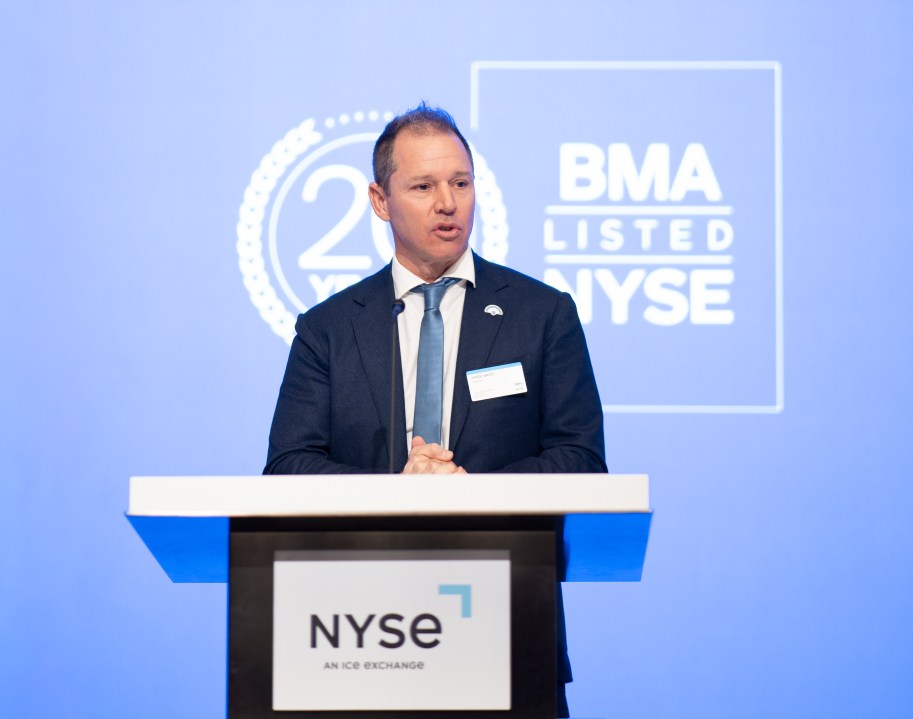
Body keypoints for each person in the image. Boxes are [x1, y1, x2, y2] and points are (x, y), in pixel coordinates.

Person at [265, 102, 606, 717]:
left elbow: (580, 459)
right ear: (380, 200)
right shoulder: (328, 329)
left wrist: (467, 493)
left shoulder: (542, 314)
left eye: (461, 183)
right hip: (359, 633)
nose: (448, 203)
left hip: (508, 628)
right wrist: (399, 492)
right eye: (423, 187)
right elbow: (289, 467)